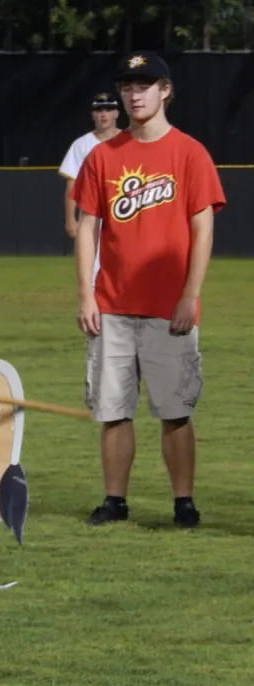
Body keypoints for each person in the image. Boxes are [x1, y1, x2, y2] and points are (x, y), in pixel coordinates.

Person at [72, 52, 225, 528]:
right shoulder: (103, 156)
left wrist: (188, 295)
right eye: (127, 86)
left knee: (175, 410)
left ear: (166, 91)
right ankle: (115, 500)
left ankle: (184, 501)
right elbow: (87, 228)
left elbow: (202, 231)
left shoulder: (189, 153)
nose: (134, 93)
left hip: (167, 306)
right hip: (112, 304)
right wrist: (85, 294)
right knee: (113, 410)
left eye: (145, 84)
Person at [59, 92, 121, 241]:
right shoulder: (81, 145)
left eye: (108, 110)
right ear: (93, 115)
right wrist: (70, 219)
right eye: (99, 110)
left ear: (116, 113)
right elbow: (72, 183)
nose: (103, 114)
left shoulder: (130, 140)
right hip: (92, 214)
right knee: (92, 262)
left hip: (123, 210)